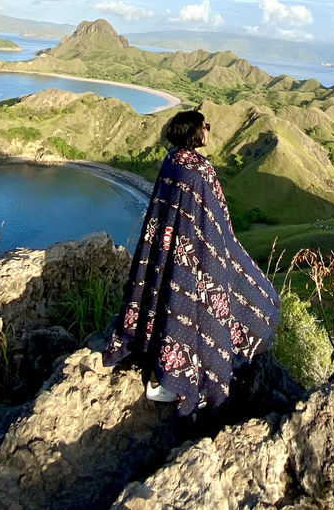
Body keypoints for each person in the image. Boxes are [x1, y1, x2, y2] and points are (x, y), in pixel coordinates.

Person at [103, 109, 281, 416]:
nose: (209, 131)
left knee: (173, 306)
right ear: (194, 133)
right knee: (249, 300)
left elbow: (164, 210)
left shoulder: (171, 162)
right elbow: (218, 220)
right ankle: (180, 379)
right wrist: (221, 254)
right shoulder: (200, 170)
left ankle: (165, 368)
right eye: (205, 126)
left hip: (168, 250)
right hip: (197, 252)